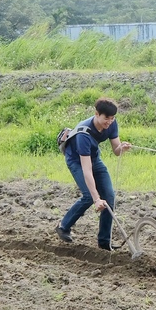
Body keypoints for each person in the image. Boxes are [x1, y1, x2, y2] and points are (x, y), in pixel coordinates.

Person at [57, 97, 132, 249]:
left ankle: (104, 243)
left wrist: (122, 148)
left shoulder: (111, 123)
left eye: (112, 118)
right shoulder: (83, 134)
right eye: (106, 118)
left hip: (94, 157)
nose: (109, 122)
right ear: (97, 114)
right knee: (88, 196)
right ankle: (63, 226)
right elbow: (86, 169)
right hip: (77, 161)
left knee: (109, 196)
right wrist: (96, 198)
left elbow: (116, 150)